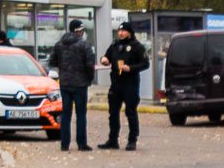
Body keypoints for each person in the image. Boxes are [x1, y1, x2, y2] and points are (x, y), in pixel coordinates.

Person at [98, 22, 149, 151]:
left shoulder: (137, 46)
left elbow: (145, 64)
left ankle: (132, 140)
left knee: (130, 112)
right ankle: (113, 140)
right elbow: (106, 56)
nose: (121, 33)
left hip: (130, 83)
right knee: (113, 113)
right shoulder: (115, 45)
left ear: (129, 32)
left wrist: (130, 68)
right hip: (116, 83)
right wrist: (104, 60)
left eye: (124, 31)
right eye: (119, 31)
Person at [47, 19, 96, 152]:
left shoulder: (59, 44)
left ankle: (64, 144)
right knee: (81, 114)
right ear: (78, 31)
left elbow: (52, 61)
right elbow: (90, 65)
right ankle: (81, 143)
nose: (82, 33)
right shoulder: (84, 45)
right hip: (80, 84)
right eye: (81, 30)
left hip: (65, 83)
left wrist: (63, 69)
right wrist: (89, 78)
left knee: (66, 114)